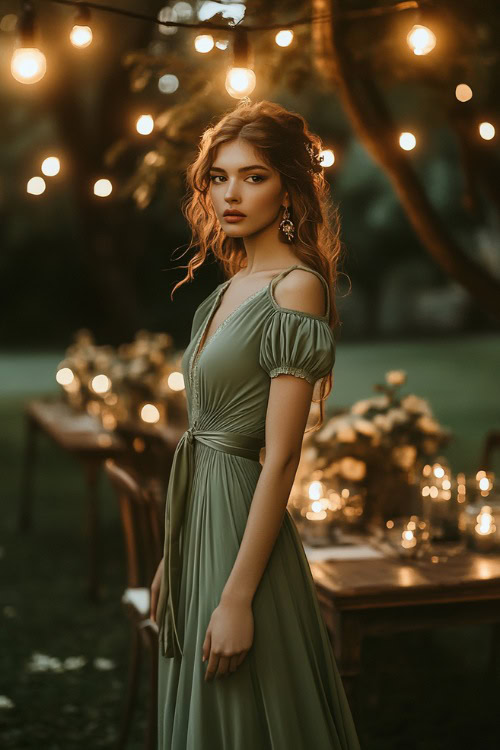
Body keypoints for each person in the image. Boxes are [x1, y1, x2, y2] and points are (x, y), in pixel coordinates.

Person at [150, 99, 361, 749]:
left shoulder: (295, 289)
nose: (229, 194)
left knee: (245, 710)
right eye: (218, 177)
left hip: (244, 527)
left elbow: (281, 457)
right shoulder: (227, 286)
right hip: (199, 521)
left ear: (290, 189)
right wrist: (172, 554)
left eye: (253, 175)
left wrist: (238, 598)